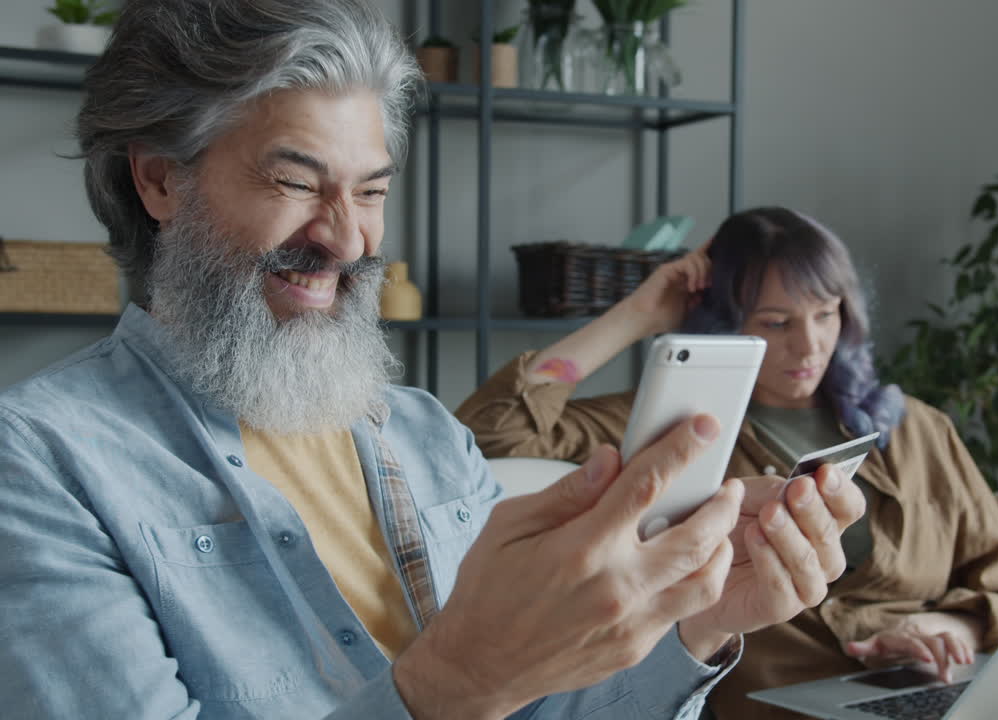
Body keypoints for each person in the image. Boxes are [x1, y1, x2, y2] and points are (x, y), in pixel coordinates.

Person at [0, 4, 867, 719]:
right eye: (297, 183)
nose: (348, 239)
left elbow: (546, 706)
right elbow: (481, 689)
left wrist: (696, 619)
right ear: (160, 180)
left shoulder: (423, 434)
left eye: (372, 191)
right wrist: (458, 683)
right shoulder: (40, 461)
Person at [456, 206, 998, 719]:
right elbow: (490, 431)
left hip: (934, 694)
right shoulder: (670, 431)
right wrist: (639, 314)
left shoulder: (918, 429)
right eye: (776, 323)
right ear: (727, 323)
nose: (808, 345)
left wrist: (949, 626)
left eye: (826, 314)